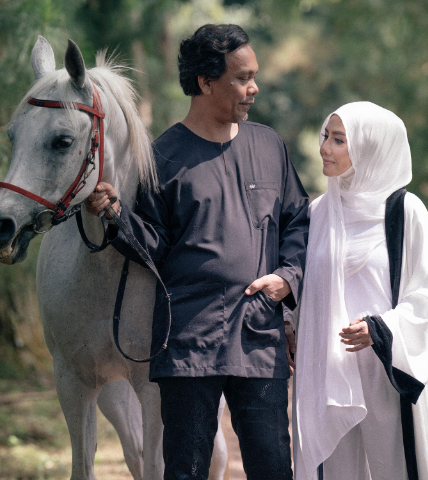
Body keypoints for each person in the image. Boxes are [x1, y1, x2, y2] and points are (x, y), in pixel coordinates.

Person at [85, 24, 309, 480]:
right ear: (206, 82)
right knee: (185, 470)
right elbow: (153, 245)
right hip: (189, 344)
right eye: (242, 78)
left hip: (258, 338)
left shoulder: (269, 146)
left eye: (253, 76)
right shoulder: (162, 157)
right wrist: (115, 215)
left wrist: (288, 277)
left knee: (272, 468)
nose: (254, 88)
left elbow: (298, 223)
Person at [293, 101, 428, 480]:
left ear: (372, 147)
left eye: (339, 140)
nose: (324, 147)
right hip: (328, 370)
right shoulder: (318, 212)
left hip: (386, 369)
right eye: (326, 136)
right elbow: (305, 286)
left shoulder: (406, 212)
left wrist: (381, 329)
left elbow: (424, 292)